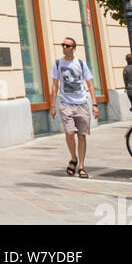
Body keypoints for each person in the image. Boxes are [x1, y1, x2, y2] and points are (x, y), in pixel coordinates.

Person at [50, 36, 98, 178]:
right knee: (70, 133)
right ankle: (73, 157)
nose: (64, 47)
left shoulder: (81, 64)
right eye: (63, 45)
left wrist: (94, 104)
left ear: (74, 48)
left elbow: (90, 84)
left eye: (68, 46)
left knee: (82, 136)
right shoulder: (58, 64)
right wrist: (53, 105)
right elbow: (55, 85)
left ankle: (81, 166)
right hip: (66, 104)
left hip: (82, 104)